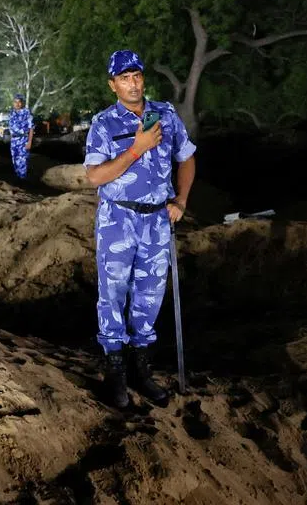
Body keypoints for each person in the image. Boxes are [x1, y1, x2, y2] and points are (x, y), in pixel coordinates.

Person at [84, 50, 196, 409]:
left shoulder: (165, 114)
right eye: (124, 78)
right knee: (113, 294)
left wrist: (180, 201)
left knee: (149, 296)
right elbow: (95, 176)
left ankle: (141, 370)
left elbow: (187, 157)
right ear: (112, 84)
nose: (132, 83)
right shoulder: (103, 123)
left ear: (142, 78)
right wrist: (136, 148)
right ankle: (115, 372)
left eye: (136, 76)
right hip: (118, 220)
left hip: (157, 220)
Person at [8, 94, 35, 179]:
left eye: (19, 102)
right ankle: (18, 179)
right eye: (15, 102)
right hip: (14, 140)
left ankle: (23, 180)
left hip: (23, 140)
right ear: (13, 103)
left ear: (22, 103)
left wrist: (30, 142)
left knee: (22, 162)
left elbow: (31, 128)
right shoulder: (11, 113)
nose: (17, 104)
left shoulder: (27, 112)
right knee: (14, 161)